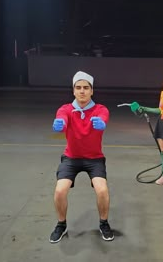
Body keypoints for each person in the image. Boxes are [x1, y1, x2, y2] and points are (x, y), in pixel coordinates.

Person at [49, 71, 114, 243]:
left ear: (92, 91)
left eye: (86, 88)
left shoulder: (100, 109)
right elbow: (61, 117)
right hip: (71, 158)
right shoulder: (66, 109)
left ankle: (104, 223)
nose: (82, 91)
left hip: (94, 159)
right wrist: (61, 123)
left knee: (102, 190)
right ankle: (61, 225)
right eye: (78, 88)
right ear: (73, 91)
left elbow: (104, 117)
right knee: (60, 190)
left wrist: (102, 123)